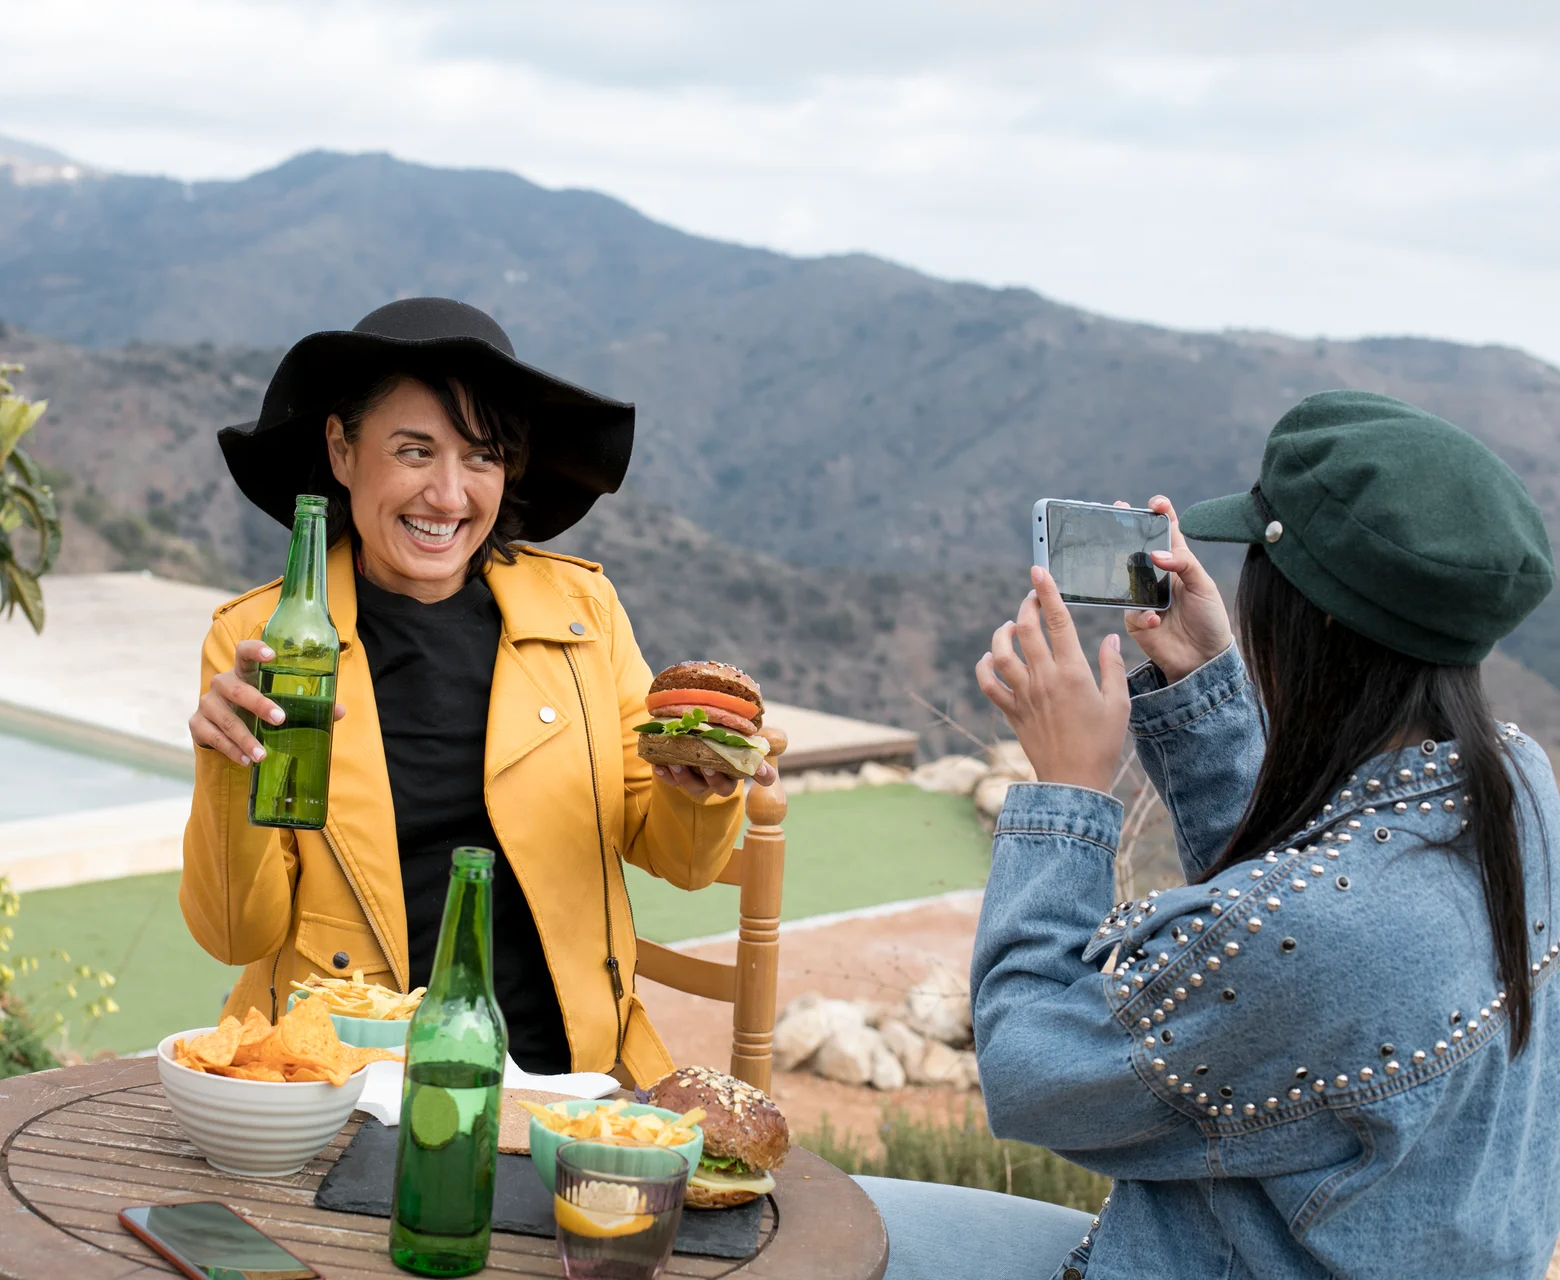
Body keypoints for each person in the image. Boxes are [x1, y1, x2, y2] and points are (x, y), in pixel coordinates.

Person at [858, 391, 1560, 1279]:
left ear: (1313, 619)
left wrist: (1069, 792)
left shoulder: (1336, 933)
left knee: (824, 1230)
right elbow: (1305, 904)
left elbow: (1036, 1072)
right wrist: (1205, 696)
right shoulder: (1519, 789)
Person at [179, 297, 775, 1081]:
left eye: (483, 456)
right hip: (347, 1080)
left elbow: (683, 861)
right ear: (342, 449)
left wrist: (700, 785)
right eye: (416, 451)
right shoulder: (269, 641)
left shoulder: (583, 617)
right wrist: (230, 773)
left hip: (569, 1080)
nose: (450, 496)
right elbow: (234, 935)